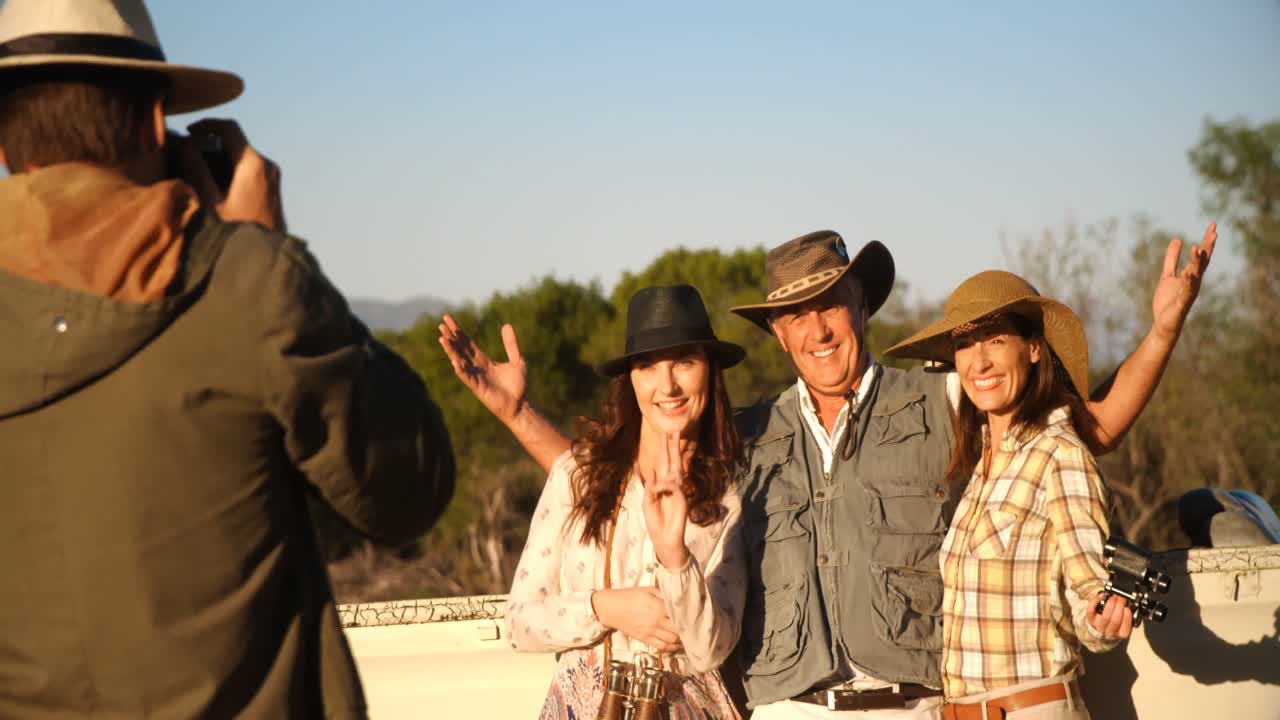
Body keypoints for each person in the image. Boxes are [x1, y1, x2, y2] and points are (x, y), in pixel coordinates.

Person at [443, 224, 1213, 719]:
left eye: (830, 302)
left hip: (919, 707)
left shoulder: (943, 401)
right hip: (791, 712)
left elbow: (1095, 427)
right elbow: (620, 478)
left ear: (862, 305)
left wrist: (1162, 330)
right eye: (795, 314)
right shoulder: (746, 436)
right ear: (777, 333)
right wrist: (516, 415)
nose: (816, 328)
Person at [0, 1, 454, 717]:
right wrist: (271, 244)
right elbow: (412, 487)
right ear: (158, 123)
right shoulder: (252, 286)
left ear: (5, 144)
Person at [884, 271, 1134, 719]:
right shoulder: (982, 466)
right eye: (965, 345)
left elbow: (1088, 590)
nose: (979, 362)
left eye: (995, 340)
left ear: (1034, 348)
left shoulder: (1059, 454)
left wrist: (1103, 618)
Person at [503, 285, 747, 719]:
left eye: (685, 362)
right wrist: (606, 607)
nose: (667, 385)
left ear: (709, 370)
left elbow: (712, 649)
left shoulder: (731, 493)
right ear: (630, 379)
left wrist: (676, 559)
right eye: (648, 366)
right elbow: (520, 622)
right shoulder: (576, 474)